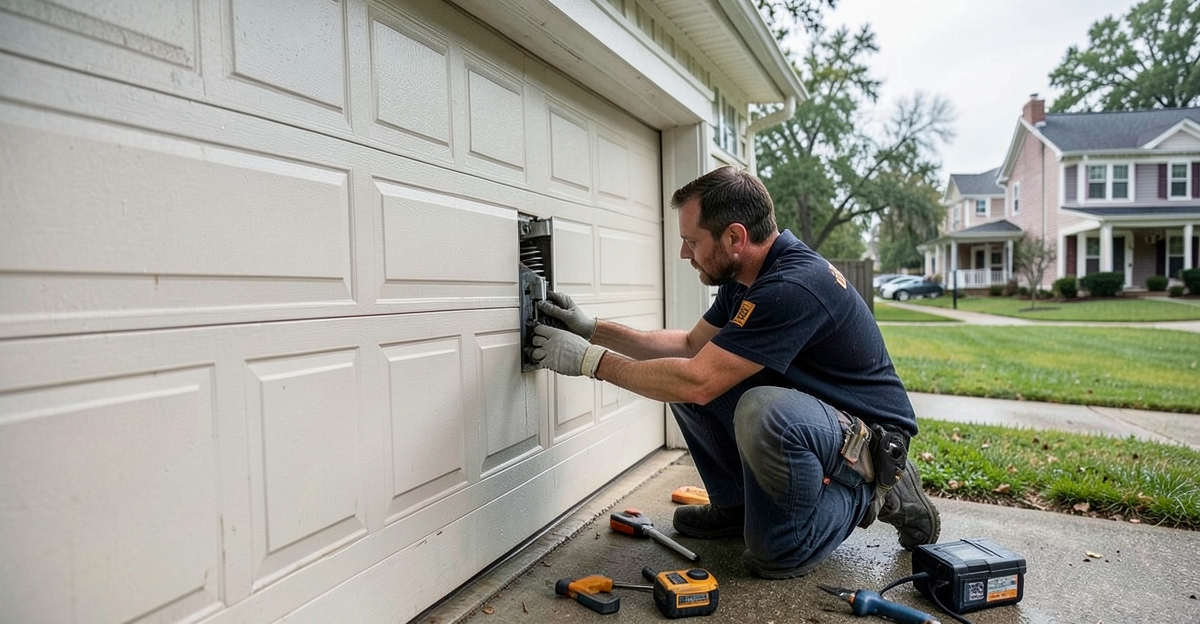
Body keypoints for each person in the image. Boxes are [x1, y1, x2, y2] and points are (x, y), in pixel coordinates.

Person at [530, 166, 939, 579]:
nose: (684, 254)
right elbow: (692, 347)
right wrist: (593, 328)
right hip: (824, 419)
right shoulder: (746, 277)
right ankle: (737, 508)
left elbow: (698, 379)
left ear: (735, 238)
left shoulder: (793, 286)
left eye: (691, 242)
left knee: (773, 546)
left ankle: (881, 491)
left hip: (869, 437)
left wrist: (590, 362)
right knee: (694, 383)